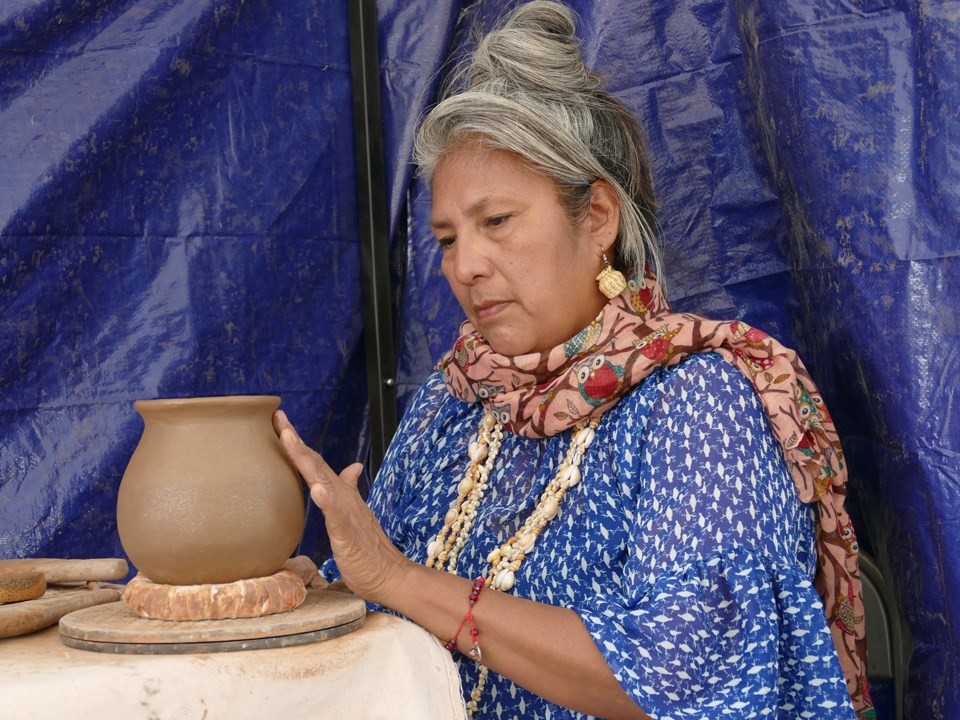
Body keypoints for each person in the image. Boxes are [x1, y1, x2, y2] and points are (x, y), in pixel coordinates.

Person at [274, 2, 872, 718]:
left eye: (496, 221)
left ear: (597, 219)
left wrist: (401, 582)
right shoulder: (455, 398)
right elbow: (374, 587)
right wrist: (306, 589)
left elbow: (685, 680)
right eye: (445, 238)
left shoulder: (695, 402)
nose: (466, 265)